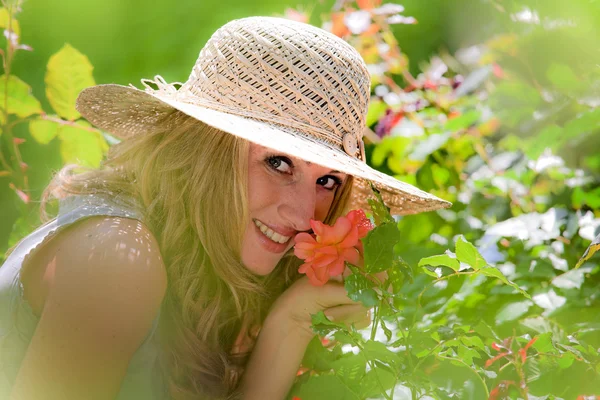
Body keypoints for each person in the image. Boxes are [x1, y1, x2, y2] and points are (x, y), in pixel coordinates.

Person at [0, 16, 450, 400]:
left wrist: (290, 323)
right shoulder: (119, 256)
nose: (302, 215)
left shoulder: (213, 276)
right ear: (205, 150)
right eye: (278, 163)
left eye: (327, 181)